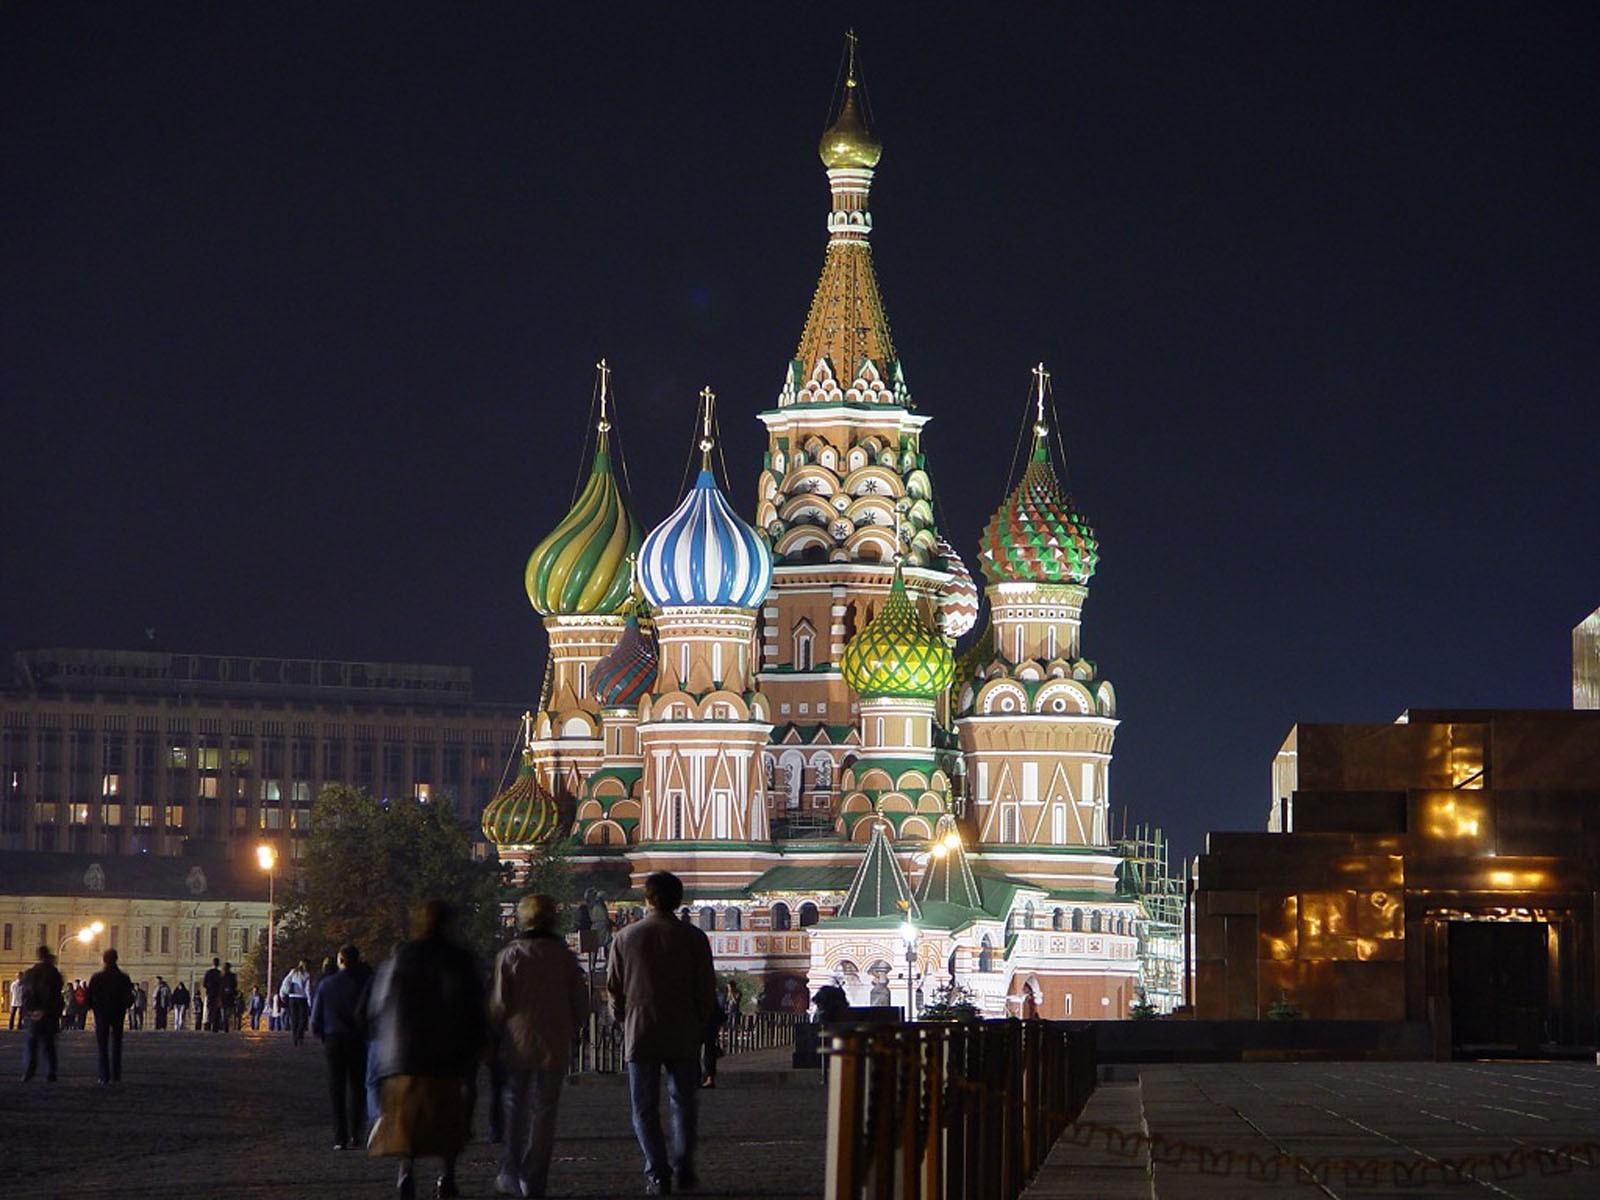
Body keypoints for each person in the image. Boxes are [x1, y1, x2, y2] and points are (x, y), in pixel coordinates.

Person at [607, 871, 717, 1196]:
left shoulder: (626, 937)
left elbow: (614, 989)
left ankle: (657, 1172)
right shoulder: (694, 938)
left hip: (641, 1031)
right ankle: (684, 1168)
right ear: (678, 900)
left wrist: (623, 1020)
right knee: (684, 1103)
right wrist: (699, 1024)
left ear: (648, 898)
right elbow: (705, 990)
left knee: (644, 1107)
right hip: (683, 1031)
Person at [367, 901, 487, 1200]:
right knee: (447, 1118)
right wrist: (478, 1045)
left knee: (407, 1117)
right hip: (447, 1054)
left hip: (402, 1055)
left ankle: (405, 1172)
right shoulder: (460, 959)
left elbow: (378, 1006)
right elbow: (473, 1007)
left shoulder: (399, 959)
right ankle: (447, 1176)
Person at [490, 894, 587, 1199]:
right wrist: (575, 1027)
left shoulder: (511, 955)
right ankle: (534, 1177)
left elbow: (499, 1003)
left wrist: (493, 1031)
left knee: (515, 1106)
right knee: (545, 1111)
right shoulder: (564, 957)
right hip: (555, 1043)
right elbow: (580, 1004)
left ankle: (510, 1169)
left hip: (517, 1043)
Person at [311, 944, 373, 1151]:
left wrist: (319, 1032)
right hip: (357, 1039)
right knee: (357, 1087)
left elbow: (316, 1015)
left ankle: (340, 1137)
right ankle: (357, 1133)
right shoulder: (363, 984)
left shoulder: (327, 984)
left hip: (333, 1039)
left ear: (340, 960)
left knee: (336, 1088)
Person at [87, 948, 136, 1084]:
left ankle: (104, 1075)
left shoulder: (97, 977)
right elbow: (130, 997)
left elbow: (89, 997)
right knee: (117, 1044)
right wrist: (123, 1006)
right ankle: (116, 1074)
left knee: (102, 1046)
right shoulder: (123, 977)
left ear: (104, 960)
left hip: (102, 1014)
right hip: (117, 1013)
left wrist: (93, 1008)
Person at [19, 946, 65, 1082]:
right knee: (49, 1045)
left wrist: (31, 1010)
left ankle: (29, 1071)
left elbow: (26, 994)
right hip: (49, 1014)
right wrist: (49, 1010)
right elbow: (56, 995)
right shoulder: (54, 973)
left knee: (31, 1044)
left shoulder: (31, 973)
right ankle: (50, 1072)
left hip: (34, 1014)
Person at [281, 959, 313, 1045]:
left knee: (294, 1018)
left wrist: (282, 993)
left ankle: (295, 1036)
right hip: (302, 998)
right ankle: (300, 1035)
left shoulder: (293, 972)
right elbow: (308, 989)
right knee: (302, 1018)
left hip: (292, 997)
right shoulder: (306, 975)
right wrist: (310, 1002)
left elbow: (285, 982)